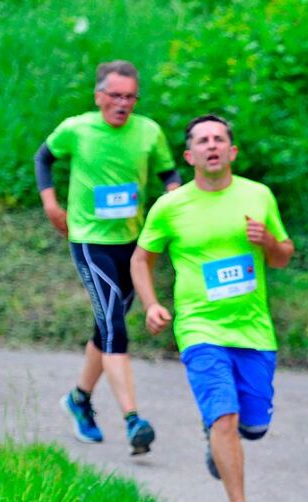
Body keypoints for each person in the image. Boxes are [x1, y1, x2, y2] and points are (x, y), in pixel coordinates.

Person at [130, 115, 294, 502]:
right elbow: (141, 258)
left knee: (252, 425)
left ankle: (218, 444)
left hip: (254, 331)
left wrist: (268, 243)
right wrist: (151, 304)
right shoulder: (170, 206)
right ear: (189, 155)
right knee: (224, 416)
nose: (212, 145)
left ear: (232, 151)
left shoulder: (258, 196)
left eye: (219, 138)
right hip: (200, 328)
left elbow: (282, 256)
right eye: (202, 140)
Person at [35, 59, 180, 454]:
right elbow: (43, 158)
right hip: (88, 239)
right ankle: (134, 420)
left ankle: (78, 400)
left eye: (130, 96)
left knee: (105, 328)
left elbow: (169, 173)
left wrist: (174, 193)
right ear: (99, 97)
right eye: (115, 96)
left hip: (133, 244)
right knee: (115, 326)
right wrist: (51, 205)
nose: (123, 103)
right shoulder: (77, 129)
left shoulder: (149, 131)